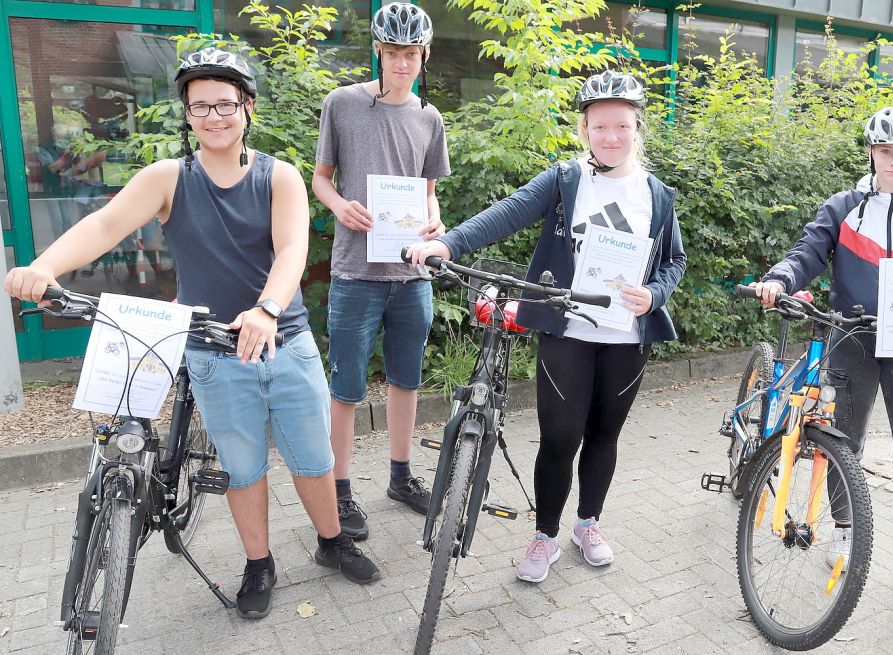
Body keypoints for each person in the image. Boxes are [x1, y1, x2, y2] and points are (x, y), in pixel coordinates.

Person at [4, 47, 381, 621]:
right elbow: (106, 223)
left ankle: (332, 540)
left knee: (313, 458)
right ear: (186, 113)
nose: (214, 116)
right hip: (211, 351)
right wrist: (45, 267)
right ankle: (259, 563)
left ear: (247, 107)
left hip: (285, 341)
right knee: (243, 466)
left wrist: (266, 309)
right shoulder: (168, 179)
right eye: (200, 106)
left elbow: (292, 250)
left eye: (225, 104)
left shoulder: (279, 176)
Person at [406, 70, 687, 583]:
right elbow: (509, 212)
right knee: (559, 438)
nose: (610, 137)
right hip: (567, 331)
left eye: (621, 126)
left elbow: (673, 262)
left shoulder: (657, 195)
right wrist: (448, 245)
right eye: (599, 126)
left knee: (604, 436)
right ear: (584, 130)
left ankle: (589, 524)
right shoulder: (565, 180)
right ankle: (545, 535)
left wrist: (655, 295)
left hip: (626, 337)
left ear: (637, 129)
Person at [751, 106, 893, 612]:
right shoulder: (845, 207)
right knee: (843, 448)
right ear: (871, 152)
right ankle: (843, 533)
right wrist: (780, 279)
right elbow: (807, 252)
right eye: (886, 151)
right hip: (851, 339)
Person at [312, 2, 450, 539]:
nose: (401, 63)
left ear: (424, 54)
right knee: (345, 387)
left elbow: (430, 193)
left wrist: (435, 224)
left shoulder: (429, 117)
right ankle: (339, 491)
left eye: (410, 54)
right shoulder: (342, 104)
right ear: (378, 51)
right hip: (355, 272)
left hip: (412, 274)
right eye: (392, 53)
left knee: (405, 381)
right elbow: (322, 178)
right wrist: (339, 206)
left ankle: (401, 475)